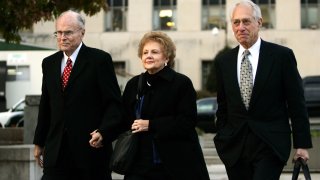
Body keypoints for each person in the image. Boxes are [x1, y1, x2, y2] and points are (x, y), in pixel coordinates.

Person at [213, 1, 313, 180]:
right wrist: (222, 138)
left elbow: (296, 102)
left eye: (246, 21)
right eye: (236, 22)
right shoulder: (223, 61)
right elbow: (223, 105)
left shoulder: (282, 56)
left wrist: (302, 145)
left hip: (270, 145)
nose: (241, 27)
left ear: (259, 22)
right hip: (235, 147)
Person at [33, 10, 122, 180]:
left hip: (90, 152)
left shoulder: (99, 60)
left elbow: (114, 104)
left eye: (68, 32)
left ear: (82, 33)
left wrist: (104, 132)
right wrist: (39, 142)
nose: (62, 37)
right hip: (56, 152)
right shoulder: (49, 63)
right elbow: (46, 105)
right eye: (58, 32)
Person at [121, 31, 210, 180]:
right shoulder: (133, 84)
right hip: (138, 163)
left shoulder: (181, 83)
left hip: (174, 164)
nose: (149, 56)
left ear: (167, 57)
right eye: (145, 52)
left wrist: (151, 125)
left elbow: (187, 121)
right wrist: (103, 132)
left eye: (155, 52)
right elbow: (122, 118)